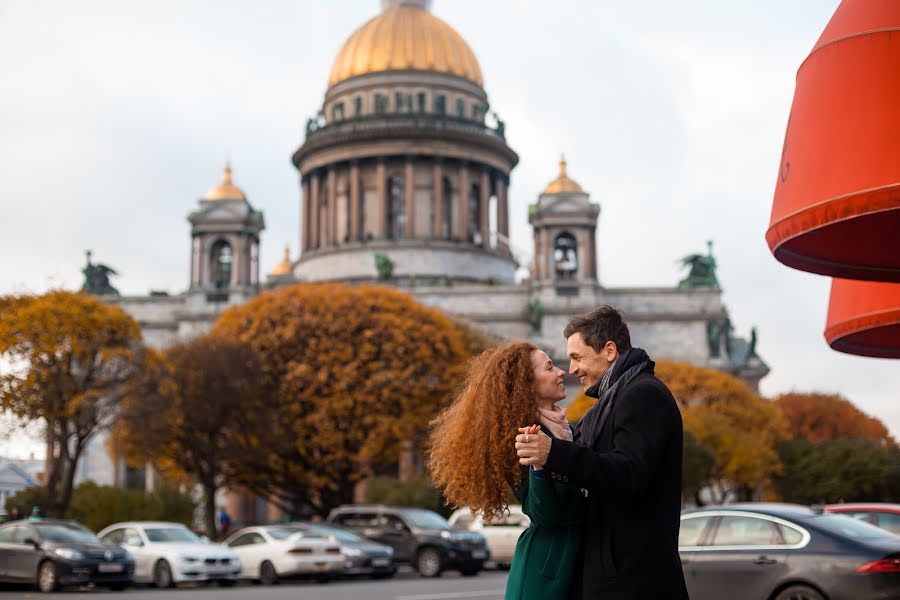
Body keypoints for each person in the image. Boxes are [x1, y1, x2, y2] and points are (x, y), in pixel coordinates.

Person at [516, 305, 688, 600]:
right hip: (619, 574)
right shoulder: (615, 398)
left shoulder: (642, 394)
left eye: (577, 357)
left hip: (634, 581)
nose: (571, 370)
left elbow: (629, 475)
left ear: (609, 350)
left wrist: (555, 453)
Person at [429, 341, 581, 600]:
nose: (561, 372)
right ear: (528, 385)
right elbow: (545, 514)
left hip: (573, 562)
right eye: (549, 368)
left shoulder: (566, 429)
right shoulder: (524, 438)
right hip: (548, 570)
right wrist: (539, 467)